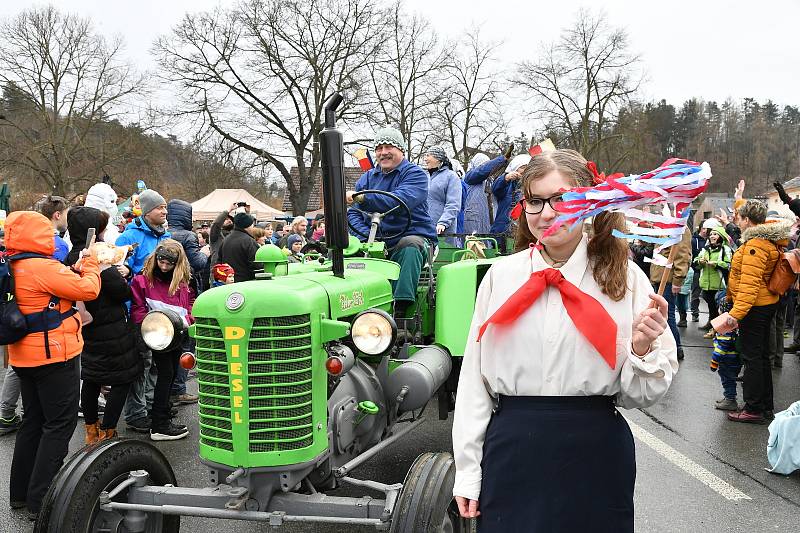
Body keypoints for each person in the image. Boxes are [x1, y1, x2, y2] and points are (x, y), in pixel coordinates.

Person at [452, 149, 677, 532]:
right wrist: (468, 472)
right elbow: (475, 382)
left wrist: (640, 349)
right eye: (535, 201)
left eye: (563, 199)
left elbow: (640, 396)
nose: (547, 212)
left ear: (589, 203)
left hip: (595, 453)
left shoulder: (627, 278)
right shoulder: (501, 277)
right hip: (513, 451)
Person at [4, 210, 100, 518]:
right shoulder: (42, 267)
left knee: (32, 422)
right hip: (54, 355)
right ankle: (42, 500)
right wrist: (92, 262)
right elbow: (88, 290)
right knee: (58, 426)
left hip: (22, 356)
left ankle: (20, 494)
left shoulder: (12, 264)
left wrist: (74, 268)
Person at [64, 206, 141, 443]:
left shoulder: (71, 256)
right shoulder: (98, 257)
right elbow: (121, 292)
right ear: (94, 230)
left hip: (86, 328)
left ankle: (91, 431)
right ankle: (108, 430)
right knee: (121, 379)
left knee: (92, 378)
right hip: (112, 330)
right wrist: (123, 275)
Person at [346, 127, 437, 317]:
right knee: (343, 251)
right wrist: (365, 236)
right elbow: (353, 214)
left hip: (412, 236)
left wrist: (362, 198)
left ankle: (401, 312)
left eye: (389, 147)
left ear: (401, 150)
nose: (383, 152)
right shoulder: (367, 178)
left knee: (409, 245)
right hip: (376, 240)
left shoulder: (416, 175)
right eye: (379, 148)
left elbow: (398, 200)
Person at [726, 199, 790, 424]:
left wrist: (736, 314)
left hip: (755, 308)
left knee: (752, 358)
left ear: (747, 220)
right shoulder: (764, 241)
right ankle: (764, 406)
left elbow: (749, 285)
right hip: (765, 305)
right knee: (762, 358)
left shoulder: (755, 246)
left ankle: (753, 408)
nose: (737, 221)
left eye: (740, 218)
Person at [116, 189, 170, 433]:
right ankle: (136, 413)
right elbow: (117, 268)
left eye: (165, 208)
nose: (165, 211)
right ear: (148, 211)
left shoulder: (166, 236)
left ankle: (149, 403)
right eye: (160, 208)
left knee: (157, 361)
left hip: (161, 309)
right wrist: (130, 271)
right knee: (142, 362)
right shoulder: (129, 236)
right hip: (137, 308)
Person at [131, 240, 194, 440]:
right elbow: (138, 307)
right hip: (157, 333)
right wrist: (149, 326)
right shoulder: (143, 279)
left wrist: (188, 320)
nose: (164, 267)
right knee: (165, 375)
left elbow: (191, 302)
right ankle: (159, 424)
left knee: (172, 373)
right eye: (161, 262)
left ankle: (163, 415)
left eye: (169, 264)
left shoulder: (182, 279)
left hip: (178, 332)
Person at [649, 227, 692, 361]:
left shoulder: (680, 227)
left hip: (667, 280)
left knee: (668, 315)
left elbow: (683, 255)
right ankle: (669, 347)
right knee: (662, 315)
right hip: (660, 277)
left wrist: (677, 281)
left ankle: (676, 348)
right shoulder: (667, 226)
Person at [694, 226, 732, 338]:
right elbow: (695, 262)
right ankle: (712, 326)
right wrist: (700, 261)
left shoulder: (725, 249)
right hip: (706, 283)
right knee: (711, 306)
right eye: (711, 234)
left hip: (720, 284)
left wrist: (715, 263)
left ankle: (719, 330)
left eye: (715, 234)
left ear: (720, 236)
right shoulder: (705, 249)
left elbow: (729, 265)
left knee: (720, 308)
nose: (712, 236)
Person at [166, 199, 209, 291]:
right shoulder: (189, 236)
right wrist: (204, 254)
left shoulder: (163, 233)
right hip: (186, 281)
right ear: (186, 216)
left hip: (167, 280)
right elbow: (196, 263)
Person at [710, 291, 742, 411]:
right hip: (735, 358)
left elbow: (721, 348)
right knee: (730, 378)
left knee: (728, 379)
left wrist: (714, 361)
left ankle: (730, 400)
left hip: (728, 359)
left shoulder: (726, 328)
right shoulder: (735, 324)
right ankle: (728, 397)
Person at [422, 146, 462, 237]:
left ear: (437, 158)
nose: (425, 159)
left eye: (428, 156)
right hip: (423, 226)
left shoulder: (451, 176)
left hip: (442, 230)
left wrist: (443, 222)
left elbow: (453, 204)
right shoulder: (424, 176)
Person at [218, 212, 260, 282]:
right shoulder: (249, 241)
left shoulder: (226, 240)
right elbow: (256, 265)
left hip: (228, 283)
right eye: (252, 225)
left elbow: (219, 261)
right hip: (245, 283)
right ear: (247, 226)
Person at [36, 195, 70, 262]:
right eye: (66, 214)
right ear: (58, 215)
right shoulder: (60, 245)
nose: (68, 218)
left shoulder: (33, 238)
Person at [690, 223, 709, 322]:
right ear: (701, 229)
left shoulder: (711, 240)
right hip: (697, 270)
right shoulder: (694, 240)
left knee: (708, 295)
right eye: (704, 228)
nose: (706, 230)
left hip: (709, 270)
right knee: (695, 293)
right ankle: (694, 313)